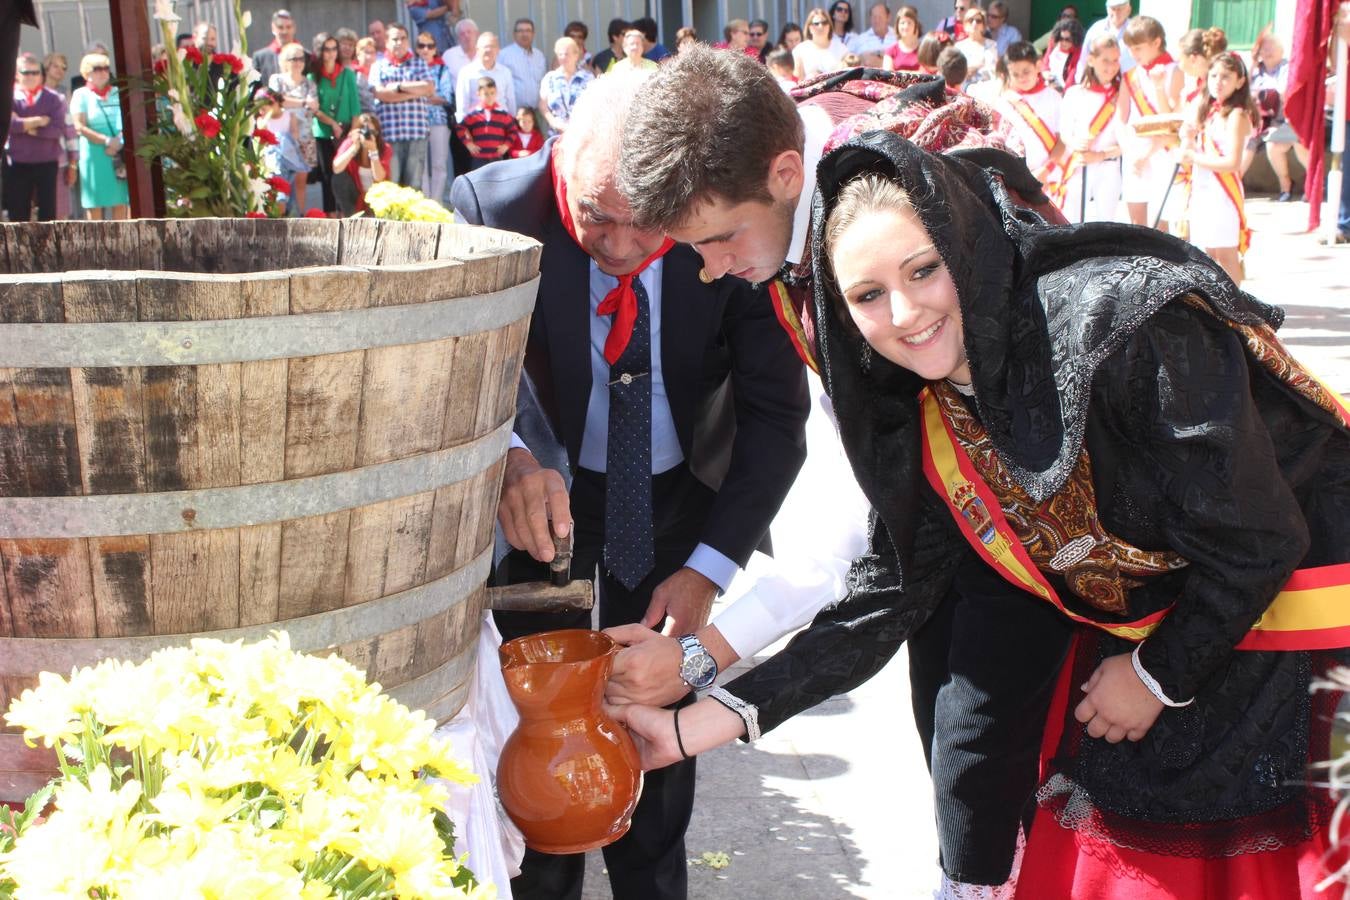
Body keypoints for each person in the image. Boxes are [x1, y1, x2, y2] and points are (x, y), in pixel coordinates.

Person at [621, 117, 1350, 900]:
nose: (904, 313)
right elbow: (890, 590)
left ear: (964, 243)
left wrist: (1156, 675)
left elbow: (1262, 537)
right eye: (867, 295)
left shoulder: (1127, 324)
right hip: (1170, 626)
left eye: (924, 270)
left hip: (1302, 622)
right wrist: (685, 729)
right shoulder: (929, 402)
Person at [451, 67, 810, 900]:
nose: (617, 246)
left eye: (643, 227)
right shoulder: (488, 213)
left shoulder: (718, 228)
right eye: (593, 217)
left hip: (677, 514)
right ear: (558, 164)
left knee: (654, 779)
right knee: (538, 773)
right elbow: (458, 377)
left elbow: (775, 417)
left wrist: (711, 569)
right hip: (542, 509)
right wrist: (507, 456)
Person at [1178, 51, 1253, 285]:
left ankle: (1235, 311)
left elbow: (1232, 162)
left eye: (1225, 77)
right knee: (1206, 252)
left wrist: (1195, 156)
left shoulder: (1237, 115)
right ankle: (1214, 304)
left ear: (1239, 81)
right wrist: (1187, 138)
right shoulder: (1207, 110)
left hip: (1223, 192)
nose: (1217, 83)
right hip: (1202, 188)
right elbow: (1189, 154)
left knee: (1226, 253)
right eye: (1213, 76)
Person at [1119, 15, 1181, 230]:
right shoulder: (1130, 76)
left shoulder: (1175, 71)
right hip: (1135, 150)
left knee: (1161, 220)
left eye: (1138, 48)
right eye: (1130, 48)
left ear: (1156, 43)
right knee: (1137, 223)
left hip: (1162, 151)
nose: (1132, 53)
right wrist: (1129, 151)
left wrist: (1158, 86)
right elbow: (1121, 117)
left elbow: (1172, 121)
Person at [1056, 33, 1125, 223]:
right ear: (1091, 60)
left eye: (1115, 60)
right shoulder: (1074, 93)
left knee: (1106, 224)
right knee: (1072, 222)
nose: (1111, 66)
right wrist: (1075, 142)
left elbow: (1127, 141)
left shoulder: (1121, 95)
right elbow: (1065, 131)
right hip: (1079, 164)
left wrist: (1100, 155)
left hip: (1109, 165)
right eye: (1105, 60)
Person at [370, 23, 436, 187]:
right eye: (395, 39)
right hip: (389, 135)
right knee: (391, 185)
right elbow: (381, 94)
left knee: (414, 186)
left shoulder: (419, 63)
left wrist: (399, 88)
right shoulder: (378, 66)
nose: (399, 42)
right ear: (386, 42)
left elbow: (428, 88)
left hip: (416, 133)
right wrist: (414, 91)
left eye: (403, 38)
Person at [5, 51, 66, 221]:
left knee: (48, 212)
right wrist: (38, 121)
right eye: (26, 72)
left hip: (47, 163)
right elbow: (9, 126)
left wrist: (25, 126)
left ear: (41, 75)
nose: (31, 76)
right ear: (17, 74)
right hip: (18, 163)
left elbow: (56, 129)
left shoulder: (55, 99)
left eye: (35, 72)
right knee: (18, 211)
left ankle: (48, 247)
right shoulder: (9, 98)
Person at [1248, 32, 1308, 202]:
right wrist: (1252, 64)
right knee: (1262, 143)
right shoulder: (1256, 71)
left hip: (1290, 119)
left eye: (1271, 48)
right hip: (1264, 122)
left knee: (1292, 140)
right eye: (1263, 49)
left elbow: (1282, 92)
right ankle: (1285, 184)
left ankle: (1313, 181)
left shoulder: (1286, 67)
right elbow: (1245, 90)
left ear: (1281, 51)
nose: (1266, 52)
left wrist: (1260, 94)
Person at [69, 51, 127, 219]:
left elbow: (129, 119)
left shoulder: (117, 92)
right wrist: (107, 141)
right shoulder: (81, 95)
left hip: (118, 152)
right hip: (94, 154)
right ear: (87, 73)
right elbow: (79, 126)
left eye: (106, 68)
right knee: (95, 202)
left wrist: (119, 141)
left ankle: (122, 243)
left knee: (120, 200)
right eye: (97, 68)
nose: (103, 72)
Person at [995, 42, 1063, 187]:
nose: (1021, 78)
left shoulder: (1054, 97)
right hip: (1016, 180)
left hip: (1049, 177)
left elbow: (1063, 141)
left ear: (1038, 66)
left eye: (1026, 72)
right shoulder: (1003, 102)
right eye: (1015, 74)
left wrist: (1045, 170)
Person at [310, 33, 359, 216]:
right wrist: (332, 124)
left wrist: (353, 133)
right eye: (326, 49)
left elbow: (355, 107)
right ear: (319, 51)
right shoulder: (313, 76)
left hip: (346, 130)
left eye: (333, 49)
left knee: (345, 175)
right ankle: (329, 215)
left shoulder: (347, 74)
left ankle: (346, 213)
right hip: (323, 132)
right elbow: (314, 108)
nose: (330, 53)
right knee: (327, 176)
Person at [269, 42, 319, 214]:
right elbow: (278, 100)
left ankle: (301, 215)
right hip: (281, 140)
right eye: (293, 58)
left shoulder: (309, 84)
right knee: (280, 180)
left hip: (304, 139)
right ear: (285, 60)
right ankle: (281, 215)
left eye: (301, 58)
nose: (298, 62)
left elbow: (315, 106)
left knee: (300, 182)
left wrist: (302, 103)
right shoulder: (277, 80)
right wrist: (304, 102)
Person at [415, 30, 453, 204]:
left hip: (438, 121)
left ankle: (436, 202)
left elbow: (446, 96)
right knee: (420, 165)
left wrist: (420, 94)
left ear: (435, 49)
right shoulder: (412, 67)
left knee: (439, 163)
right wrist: (429, 95)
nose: (425, 49)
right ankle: (424, 201)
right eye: (421, 45)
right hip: (416, 121)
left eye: (429, 46)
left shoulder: (442, 68)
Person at [332, 112, 391, 211]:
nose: (368, 136)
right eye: (365, 132)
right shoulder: (350, 143)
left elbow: (380, 177)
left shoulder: (384, 148)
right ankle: (350, 218)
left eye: (373, 133)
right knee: (339, 178)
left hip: (377, 197)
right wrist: (354, 148)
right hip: (356, 197)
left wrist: (373, 152)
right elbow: (336, 168)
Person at [456, 76, 517, 169]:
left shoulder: (503, 113)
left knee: (497, 182)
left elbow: (513, 130)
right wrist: (468, 144)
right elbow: (460, 127)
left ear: (496, 93)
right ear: (478, 94)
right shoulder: (474, 113)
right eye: (486, 94)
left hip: (497, 157)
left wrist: (506, 145)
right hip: (479, 158)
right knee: (479, 182)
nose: (489, 97)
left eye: (492, 93)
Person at [455, 32, 516, 122]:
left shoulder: (505, 72)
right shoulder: (466, 72)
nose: (488, 50)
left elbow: (511, 101)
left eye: (492, 46)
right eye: (485, 47)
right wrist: (463, 129)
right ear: (477, 50)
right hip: (476, 125)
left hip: (501, 125)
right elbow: (462, 105)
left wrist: (512, 124)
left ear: (498, 50)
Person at [539, 35, 592, 134]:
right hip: (557, 135)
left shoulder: (588, 78)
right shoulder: (549, 78)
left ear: (576, 55)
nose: (563, 57)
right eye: (560, 54)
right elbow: (543, 106)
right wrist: (554, 123)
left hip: (583, 133)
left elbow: (595, 104)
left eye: (567, 54)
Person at [1074, 0, 1134, 84]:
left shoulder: (1135, 31)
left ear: (1128, 10)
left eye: (1120, 8)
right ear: (1107, 9)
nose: (1116, 12)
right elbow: (1084, 59)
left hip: (1129, 87)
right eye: (1113, 8)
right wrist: (1081, 82)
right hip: (1099, 86)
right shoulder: (1095, 29)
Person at [499, 18, 547, 119]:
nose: (524, 34)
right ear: (514, 34)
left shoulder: (539, 55)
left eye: (528, 31)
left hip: (537, 113)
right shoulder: (504, 55)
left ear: (533, 34)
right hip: (515, 113)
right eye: (520, 31)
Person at [794, 8, 845, 81]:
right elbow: (798, 80)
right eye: (816, 23)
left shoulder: (841, 47)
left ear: (829, 26)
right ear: (809, 28)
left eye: (824, 23)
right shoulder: (800, 50)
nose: (821, 26)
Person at [252, 9, 300, 84]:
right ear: (273, 28)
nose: (285, 31)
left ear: (294, 28)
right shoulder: (260, 58)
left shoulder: (306, 56)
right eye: (280, 27)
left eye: (288, 27)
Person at [953, 6, 997, 86]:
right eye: (970, 20)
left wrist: (974, 68)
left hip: (987, 89)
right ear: (965, 24)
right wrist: (977, 66)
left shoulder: (992, 45)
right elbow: (955, 73)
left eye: (978, 21)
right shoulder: (958, 47)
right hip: (964, 91)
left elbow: (995, 70)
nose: (974, 23)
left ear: (983, 25)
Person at [847, 3, 896, 68]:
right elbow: (849, 60)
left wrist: (874, 59)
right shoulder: (860, 39)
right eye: (874, 17)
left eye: (880, 17)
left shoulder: (898, 37)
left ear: (888, 17)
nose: (877, 20)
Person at [1041, 16, 1083, 90]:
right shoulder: (1053, 42)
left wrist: (1062, 93)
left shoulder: (1078, 53)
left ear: (1075, 39)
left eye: (1068, 39)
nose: (1063, 42)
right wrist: (1045, 72)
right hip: (1048, 85)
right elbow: (1046, 61)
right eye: (1061, 38)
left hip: (1064, 90)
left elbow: (1071, 79)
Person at [884, 6, 922, 71]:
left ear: (915, 26)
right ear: (897, 26)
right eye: (902, 23)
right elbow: (887, 75)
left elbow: (927, 73)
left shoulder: (923, 50)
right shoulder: (890, 51)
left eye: (909, 23)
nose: (906, 26)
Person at [444, 18, 479, 83]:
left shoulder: (485, 53)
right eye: (462, 34)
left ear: (477, 34)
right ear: (458, 38)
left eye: (469, 32)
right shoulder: (449, 55)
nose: (466, 36)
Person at [352, 37, 379, 114]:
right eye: (366, 52)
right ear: (358, 55)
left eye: (372, 52)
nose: (369, 57)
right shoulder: (353, 74)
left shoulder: (381, 73)